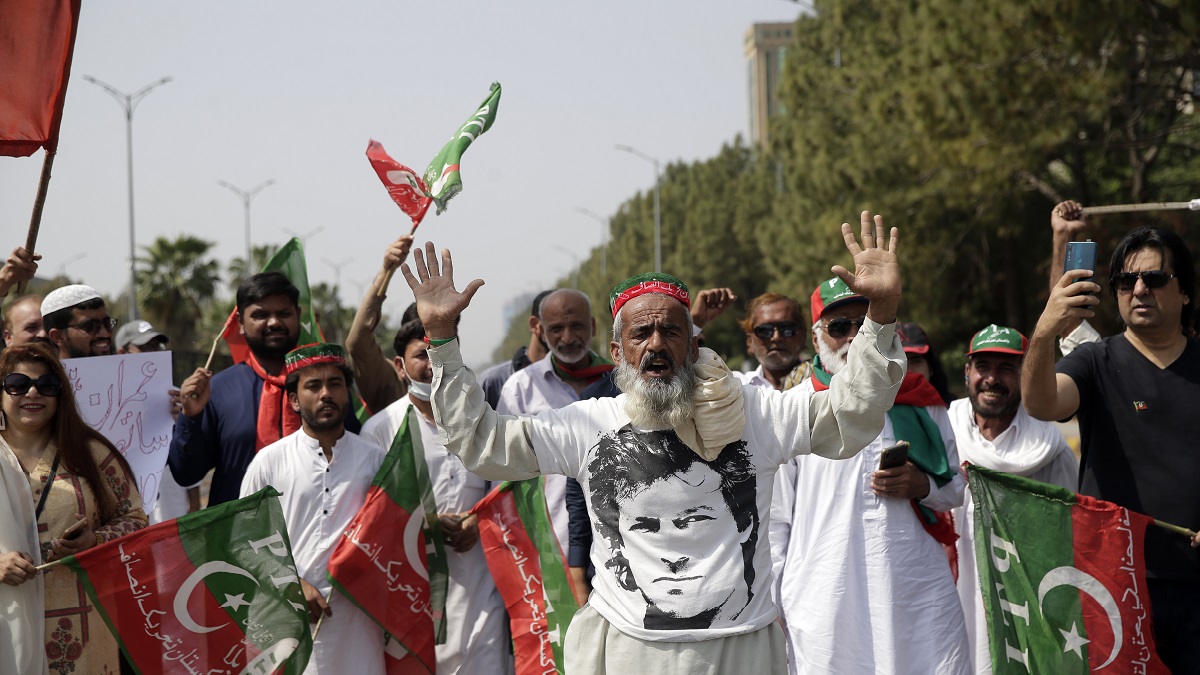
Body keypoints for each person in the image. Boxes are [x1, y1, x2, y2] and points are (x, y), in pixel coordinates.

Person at [401, 210, 905, 673]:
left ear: (693, 342)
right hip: (628, 650)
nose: (658, 344)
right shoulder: (589, 425)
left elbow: (851, 413)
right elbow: (484, 443)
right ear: (618, 351)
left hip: (741, 649)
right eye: (642, 334)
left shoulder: (755, 413)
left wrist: (879, 317)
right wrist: (442, 337)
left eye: (671, 331)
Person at [1022, 225, 1200, 673]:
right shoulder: (1095, 361)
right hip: (1115, 583)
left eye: (1155, 279)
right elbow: (1041, 403)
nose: (1139, 289)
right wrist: (1045, 331)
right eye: (1125, 280)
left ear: (1184, 294)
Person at [771, 282, 969, 675]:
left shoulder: (919, 399)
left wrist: (922, 485)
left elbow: (955, 489)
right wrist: (773, 603)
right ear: (816, 336)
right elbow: (776, 520)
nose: (851, 338)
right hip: (824, 596)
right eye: (838, 326)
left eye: (862, 325)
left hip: (913, 593)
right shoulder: (794, 408)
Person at [361, 319, 512, 674]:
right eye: (420, 357)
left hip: (480, 582)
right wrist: (424, 524)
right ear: (399, 366)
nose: (432, 366)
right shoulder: (380, 430)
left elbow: (507, 486)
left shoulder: (482, 420)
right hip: (414, 586)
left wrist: (480, 519)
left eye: (440, 355)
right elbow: (368, 514)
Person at [0, 342, 147, 674]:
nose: (32, 393)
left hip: (81, 629)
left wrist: (95, 541)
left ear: (61, 393)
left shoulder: (90, 453)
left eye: (47, 385)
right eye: (17, 384)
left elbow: (136, 521)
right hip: (7, 624)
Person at [240, 343, 388, 674]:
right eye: (313, 386)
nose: (326, 394)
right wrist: (291, 583)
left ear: (347, 393)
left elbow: (389, 533)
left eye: (335, 384)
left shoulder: (374, 460)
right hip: (286, 618)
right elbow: (245, 542)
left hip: (358, 621)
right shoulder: (269, 462)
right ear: (293, 399)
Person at [947, 324, 1077, 674]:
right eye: (983, 367)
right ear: (967, 372)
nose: (992, 379)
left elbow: (1069, 532)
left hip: (1023, 597)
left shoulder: (1048, 447)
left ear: (1026, 374)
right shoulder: (945, 431)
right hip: (953, 589)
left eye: (1006, 369)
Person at [170, 271, 360, 506]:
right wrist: (190, 418)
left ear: (298, 315)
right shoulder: (217, 390)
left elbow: (353, 454)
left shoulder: (328, 389)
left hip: (319, 530)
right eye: (260, 315)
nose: (274, 322)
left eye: (283, 313)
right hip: (238, 536)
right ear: (240, 323)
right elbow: (186, 474)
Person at [496, 288, 613, 597]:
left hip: (618, 547)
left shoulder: (621, 383)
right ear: (540, 331)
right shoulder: (520, 389)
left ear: (593, 326)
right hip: (548, 548)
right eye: (556, 329)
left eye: (576, 326)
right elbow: (502, 477)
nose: (568, 337)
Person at [346, 235, 415, 414]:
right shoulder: (390, 383)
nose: (433, 365)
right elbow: (358, 341)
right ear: (401, 364)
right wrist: (386, 271)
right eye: (423, 354)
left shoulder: (463, 393)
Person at [477, 289, 552, 409]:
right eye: (556, 325)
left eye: (576, 326)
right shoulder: (493, 382)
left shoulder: (582, 380)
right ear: (534, 325)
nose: (567, 336)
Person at [736, 292, 810, 390]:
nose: (776, 337)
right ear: (750, 341)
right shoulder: (737, 388)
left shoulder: (826, 383)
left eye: (787, 328)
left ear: (803, 336)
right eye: (765, 330)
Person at [40, 284, 115, 359]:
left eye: (107, 324)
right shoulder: (42, 371)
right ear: (58, 336)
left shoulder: (124, 370)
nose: (105, 334)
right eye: (90, 326)